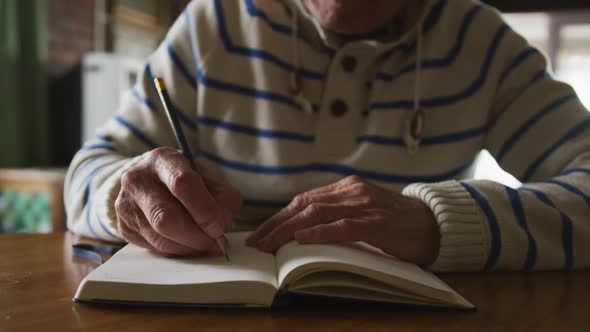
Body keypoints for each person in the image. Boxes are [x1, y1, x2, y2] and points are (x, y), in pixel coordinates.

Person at [65, 0, 590, 271]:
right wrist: (128, 197)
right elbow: (90, 170)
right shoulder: (214, 25)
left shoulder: (482, 43)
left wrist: (441, 223)